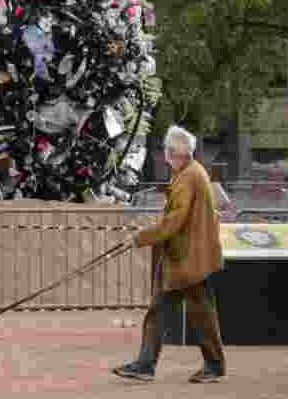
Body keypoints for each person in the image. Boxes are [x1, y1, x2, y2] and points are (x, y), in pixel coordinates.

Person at [113, 125, 226, 384]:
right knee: (168, 311)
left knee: (198, 314)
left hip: (187, 260)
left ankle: (212, 366)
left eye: (167, 152)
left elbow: (174, 222)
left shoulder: (187, 177)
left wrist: (140, 238)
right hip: (188, 258)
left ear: (172, 153)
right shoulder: (192, 172)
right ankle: (146, 365)